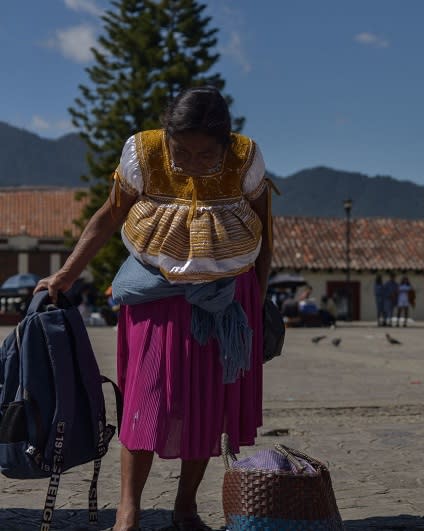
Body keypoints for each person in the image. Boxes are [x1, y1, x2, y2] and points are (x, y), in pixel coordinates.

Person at [35, 86, 271, 531]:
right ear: (167, 134)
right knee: (145, 400)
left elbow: (264, 229)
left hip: (223, 301)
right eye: (183, 151)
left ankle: (186, 508)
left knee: (207, 402)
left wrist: (257, 298)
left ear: (226, 142)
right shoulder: (142, 154)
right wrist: (66, 274)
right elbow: (108, 214)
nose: (194, 162)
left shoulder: (245, 157)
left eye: (207, 154)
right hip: (155, 298)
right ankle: (128, 511)